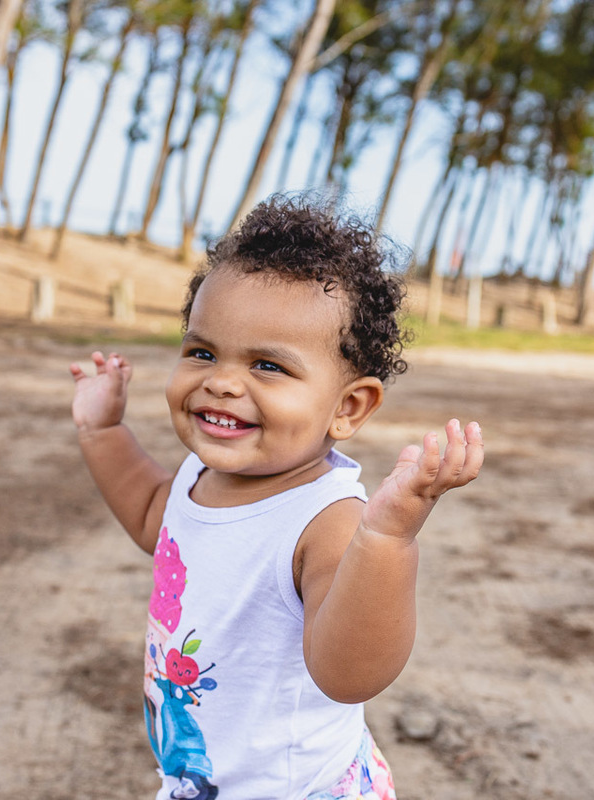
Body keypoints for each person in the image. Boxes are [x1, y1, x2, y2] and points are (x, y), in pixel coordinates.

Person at [69, 197, 483, 800]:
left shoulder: (327, 520)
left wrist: (387, 540)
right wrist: (102, 431)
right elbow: (154, 515)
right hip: (207, 778)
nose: (223, 381)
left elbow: (351, 673)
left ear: (347, 408)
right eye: (202, 352)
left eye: (267, 365)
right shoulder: (197, 475)